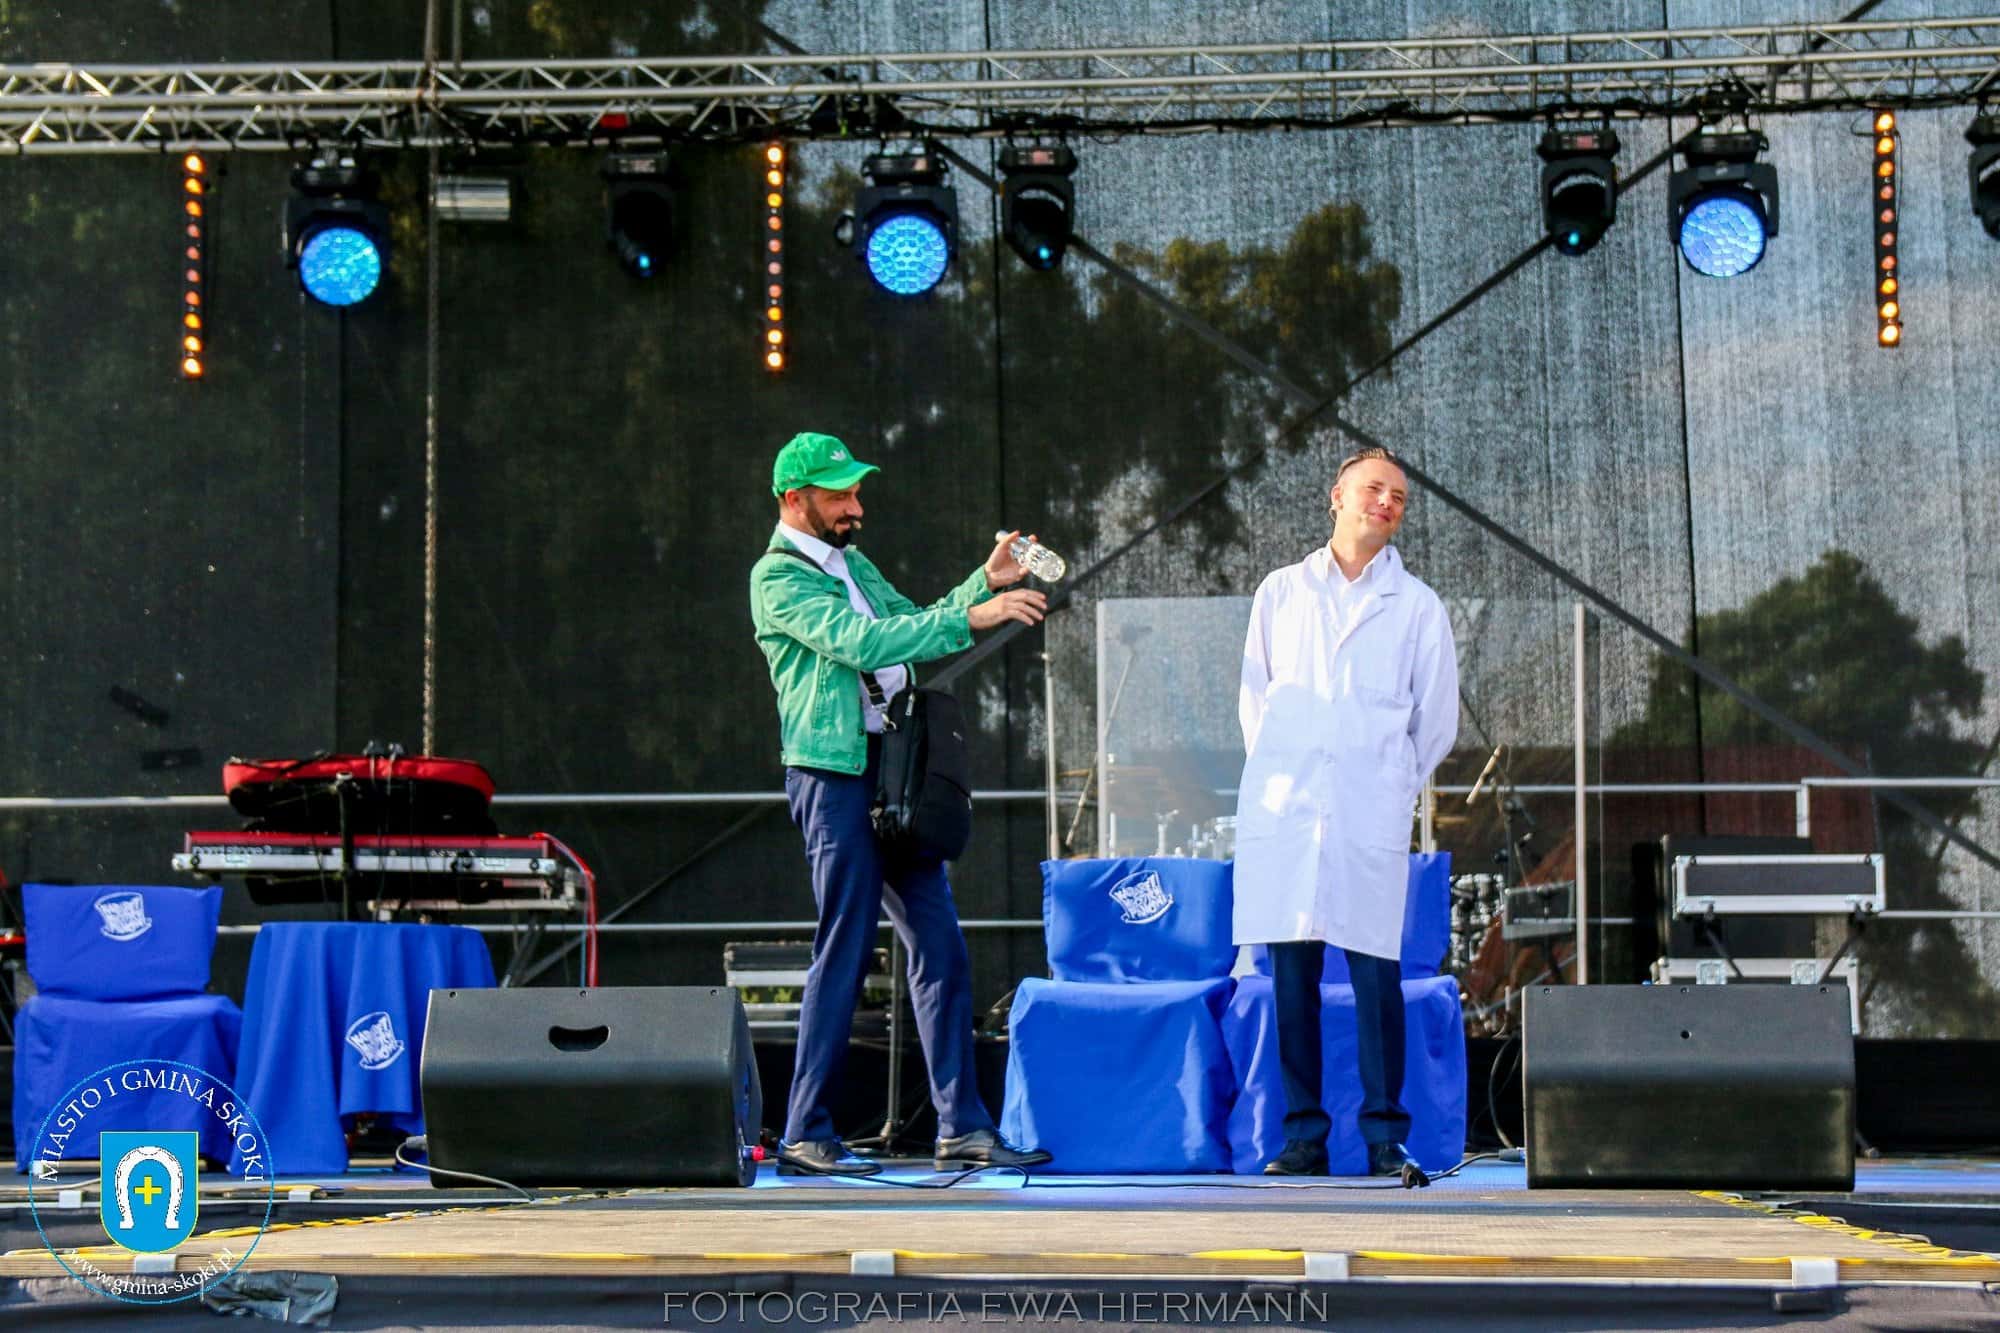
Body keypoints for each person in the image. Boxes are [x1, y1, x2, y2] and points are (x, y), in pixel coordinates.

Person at [749, 431, 1055, 1177]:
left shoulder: (851, 563)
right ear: (795, 498)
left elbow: (909, 629)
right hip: (832, 776)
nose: (855, 507)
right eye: (839, 495)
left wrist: (981, 583)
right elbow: (861, 642)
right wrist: (975, 616)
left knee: (940, 943)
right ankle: (806, 1130)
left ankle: (962, 1127)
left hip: (891, 773)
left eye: (856, 492)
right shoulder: (777, 576)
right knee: (846, 944)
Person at [1232, 446, 1459, 1186]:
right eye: (1373, 489)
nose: (1386, 503)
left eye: (1398, 497)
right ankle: (1303, 1135)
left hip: (1369, 812)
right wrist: (1290, 776)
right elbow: (1257, 704)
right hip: (1291, 811)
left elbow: (1436, 721)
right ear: (1337, 496)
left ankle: (1386, 1136)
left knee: (1375, 976)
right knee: (1291, 978)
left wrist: (1388, 783)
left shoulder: (1417, 606)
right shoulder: (1282, 591)